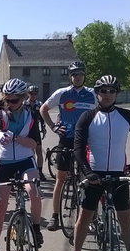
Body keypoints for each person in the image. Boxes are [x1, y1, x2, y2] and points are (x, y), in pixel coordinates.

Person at [65, 75, 130, 251]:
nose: (107, 94)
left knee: (125, 217)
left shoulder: (126, 115)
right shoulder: (87, 117)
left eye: (112, 90)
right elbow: (78, 147)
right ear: (97, 93)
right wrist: (87, 172)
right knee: (85, 215)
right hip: (94, 173)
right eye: (103, 90)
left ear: (117, 94)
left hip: (117, 173)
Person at [0, 78, 43, 251]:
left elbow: (34, 144)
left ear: (24, 98)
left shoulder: (30, 115)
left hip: (26, 160)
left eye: (14, 100)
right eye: (7, 100)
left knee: (33, 191)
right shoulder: (1, 113)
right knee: (0, 206)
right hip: (5, 162)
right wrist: (0, 134)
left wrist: (16, 138)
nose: (10, 104)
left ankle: (35, 229)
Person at [39, 61, 97, 231]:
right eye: (74, 74)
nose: (77, 77)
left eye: (80, 74)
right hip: (65, 140)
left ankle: (89, 216)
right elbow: (43, 109)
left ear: (84, 75)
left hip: (86, 141)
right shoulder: (62, 93)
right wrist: (53, 126)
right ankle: (55, 216)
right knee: (60, 179)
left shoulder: (93, 94)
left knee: (86, 179)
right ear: (70, 77)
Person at [24, 84, 47, 181]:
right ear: (28, 94)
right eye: (31, 93)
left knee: (39, 152)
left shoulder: (39, 104)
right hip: (27, 131)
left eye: (35, 93)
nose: (33, 95)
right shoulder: (24, 104)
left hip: (36, 131)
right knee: (30, 152)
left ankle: (40, 171)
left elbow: (42, 118)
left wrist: (43, 127)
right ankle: (31, 171)